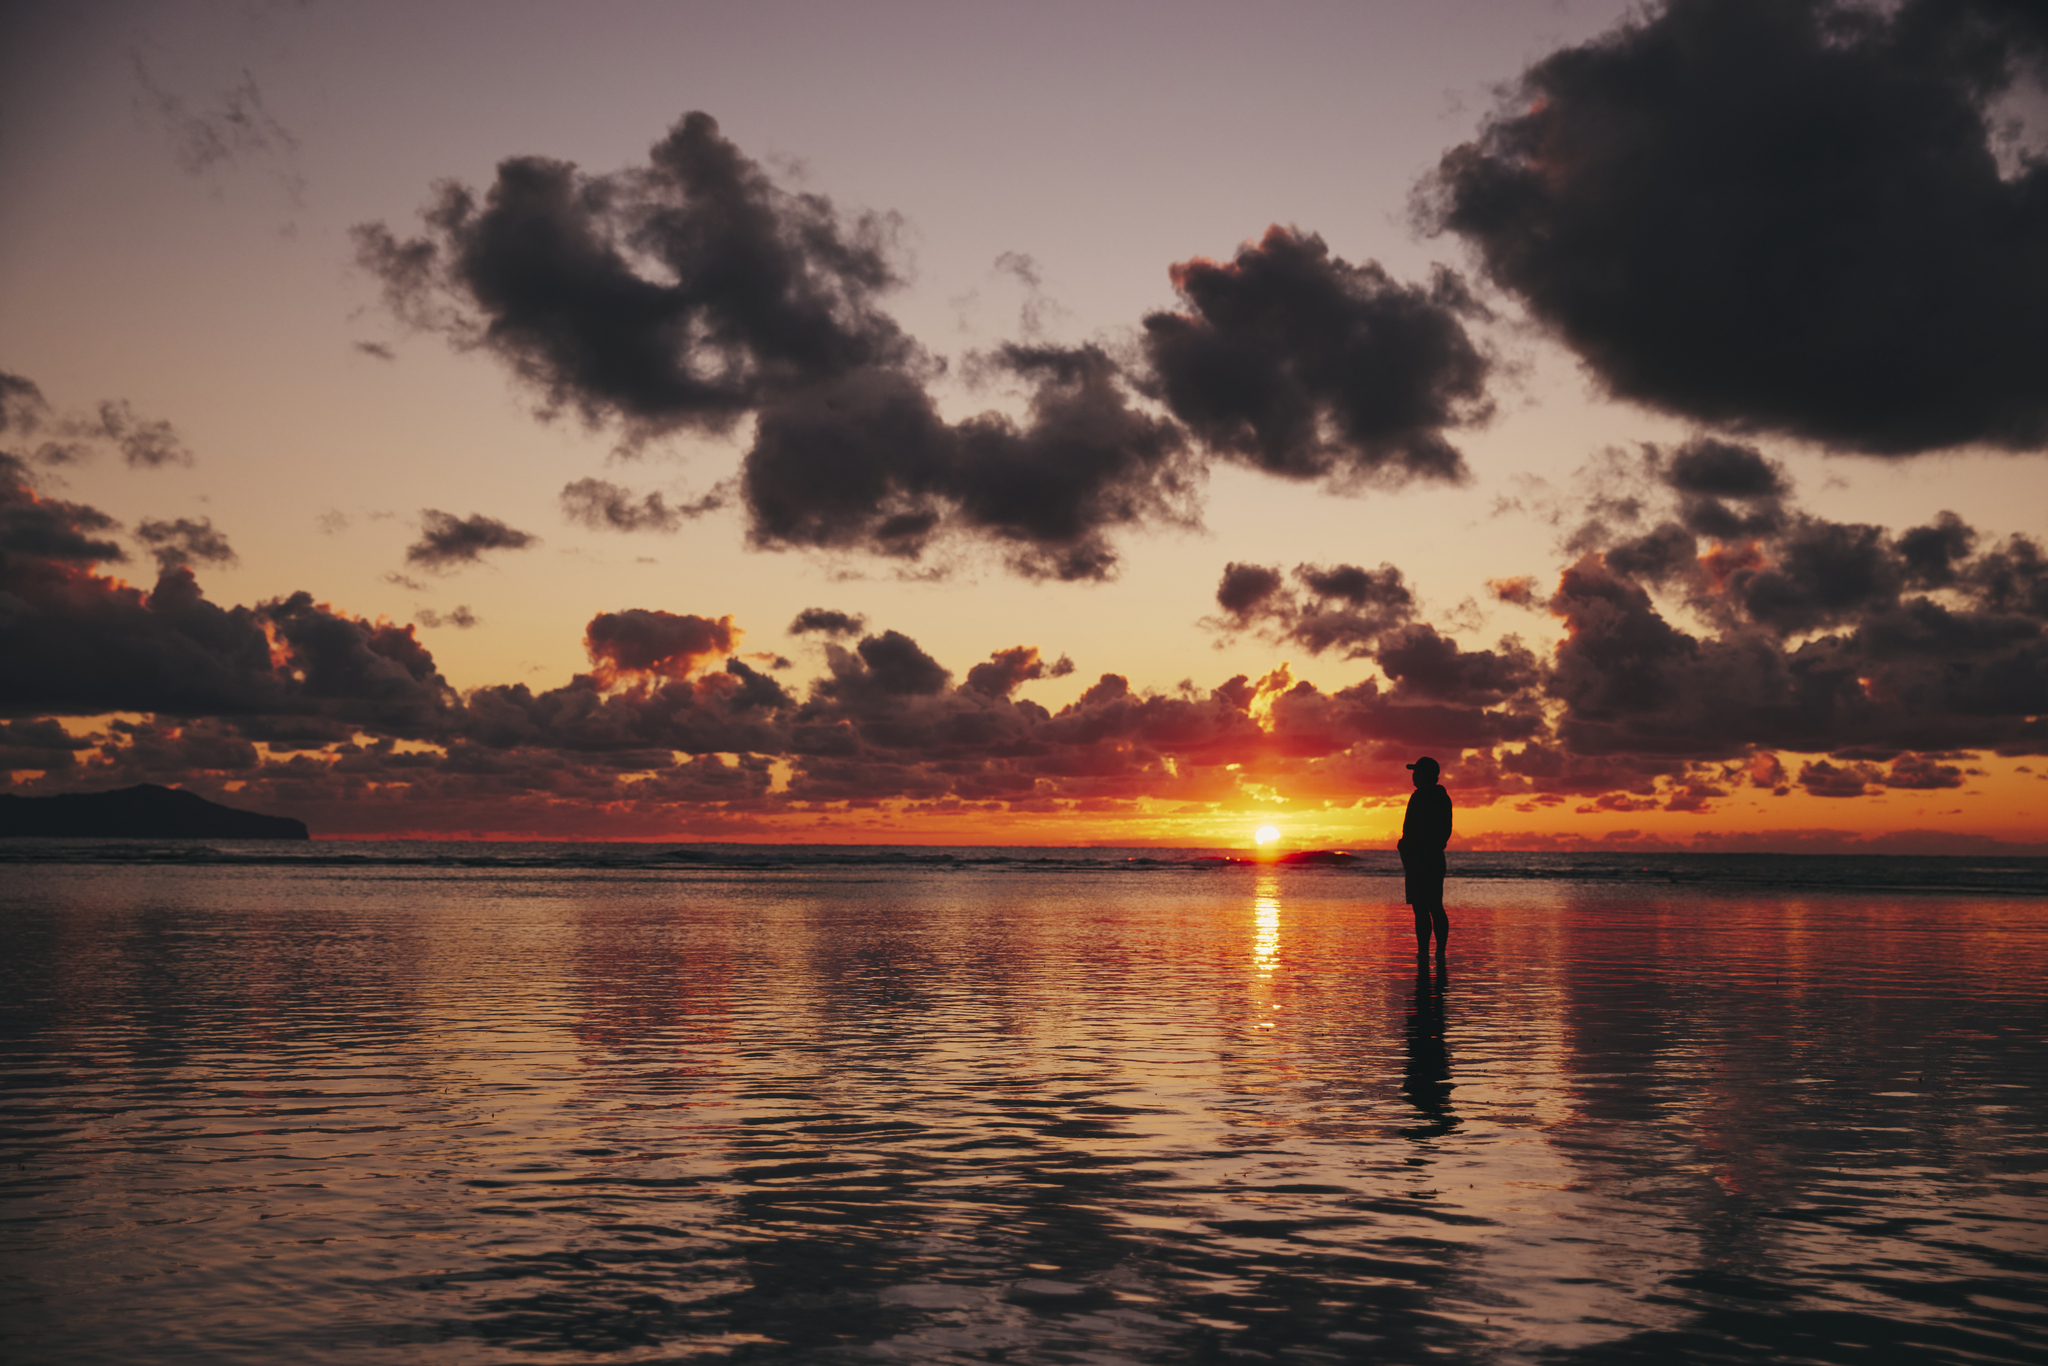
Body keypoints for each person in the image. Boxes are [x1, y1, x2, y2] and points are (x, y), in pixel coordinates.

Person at [1398, 756, 1452, 957]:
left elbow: (1411, 831)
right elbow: (1445, 832)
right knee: (1435, 906)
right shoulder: (1443, 797)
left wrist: (1405, 848)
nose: (1413, 776)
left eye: (1416, 772)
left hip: (1419, 861)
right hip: (1435, 859)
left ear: (1425, 774)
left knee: (1421, 908)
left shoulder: (1420, 797)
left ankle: (1423, 952)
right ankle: (1439, 952)